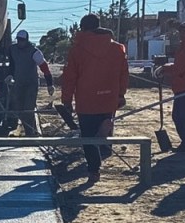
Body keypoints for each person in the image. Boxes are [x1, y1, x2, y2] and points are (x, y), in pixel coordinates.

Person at [60, 14, 128, 184]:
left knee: (88, 138)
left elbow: (69, 78)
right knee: (102, 127)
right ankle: (105, 129)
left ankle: (94, 170)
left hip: (86, 100)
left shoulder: (78, 50)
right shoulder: (117, 49)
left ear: (82, 28)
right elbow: (123, 74)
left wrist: (66, 100)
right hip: (109, 98)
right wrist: (120, 94)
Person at [154, 22, 185, 152]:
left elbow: (182, 67)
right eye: (181, 31)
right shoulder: (183, 46)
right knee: (180, 114)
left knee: (183, 115)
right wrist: (165, 69)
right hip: (181, 85)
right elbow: (179, 65)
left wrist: (165, 69)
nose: (182, 34)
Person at [7, 29, 55, 136]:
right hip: (18, 83)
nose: (20, 42)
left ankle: (30, 134)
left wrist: (50, 84)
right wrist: (9, 75)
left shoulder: (34, 52)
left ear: (26, 40)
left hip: (31, 84)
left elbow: (45, 68)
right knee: (19, 108)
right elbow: (12, 64)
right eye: (19, 40)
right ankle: (30, 129)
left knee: (28, 108)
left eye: (22, 40)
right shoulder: (12, 49)